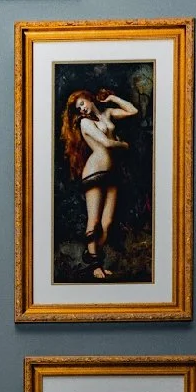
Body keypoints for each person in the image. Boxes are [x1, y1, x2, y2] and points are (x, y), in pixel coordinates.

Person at [59, 86, 138, 279]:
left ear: (89, 98)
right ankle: (95, 266)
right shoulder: (85, 122)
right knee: (94, 221)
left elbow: (133, 111)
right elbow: (108, 143)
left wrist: (113, 97)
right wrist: (125, 145)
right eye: (78, 108)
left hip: (111, 172)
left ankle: (92, 257)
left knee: (107, 222)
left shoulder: (107, 113)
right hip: (94, 171)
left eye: (82, 104)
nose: (82, 109)